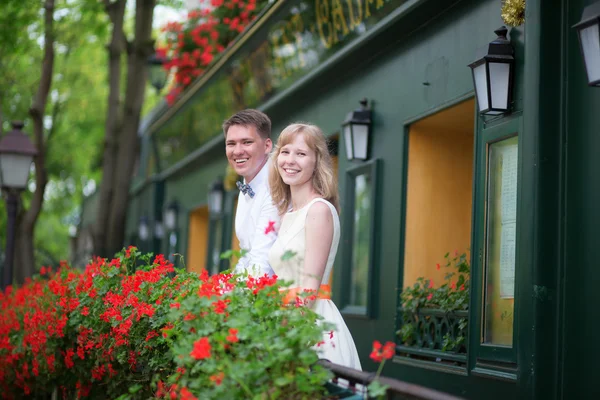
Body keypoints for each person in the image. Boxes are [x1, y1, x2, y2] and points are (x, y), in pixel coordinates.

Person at [268, 122, 362, 370]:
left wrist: (289, 338)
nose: (290, 160)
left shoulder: (319, 210)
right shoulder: (288, 214)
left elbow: (309, 288)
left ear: (316, 161)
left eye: (301, 154)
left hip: (309, 325)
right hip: (283, 319)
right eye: (285, 151)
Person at [223, 109, 280, 276]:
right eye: (231, 144)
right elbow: (246, 256)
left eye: (247, 142)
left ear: (267, 145)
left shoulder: (276, 187)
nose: (237, 151)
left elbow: (261, 266)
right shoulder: (246, 187)